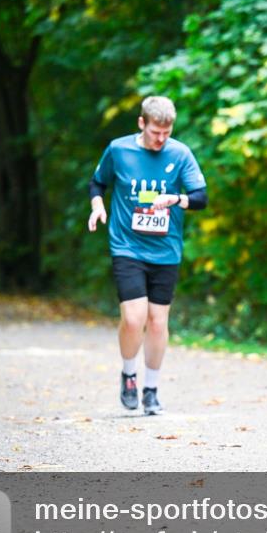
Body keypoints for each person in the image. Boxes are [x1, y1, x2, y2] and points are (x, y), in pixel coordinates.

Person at [87, 96, 208, 415]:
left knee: (157, 323)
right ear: (142, 123)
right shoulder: (119, 149)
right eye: (155, 132)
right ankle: (128, 374)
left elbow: (200, 197)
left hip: (166, 250)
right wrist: (98, 206)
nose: (160, 139)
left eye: (166, 133)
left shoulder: (180, 153)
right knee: (133, 318)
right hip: (127, 245)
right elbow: (98, 183)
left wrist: (176, 199)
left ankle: (151, 389)